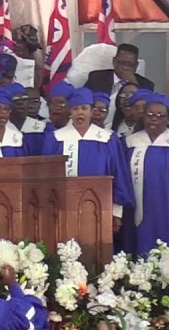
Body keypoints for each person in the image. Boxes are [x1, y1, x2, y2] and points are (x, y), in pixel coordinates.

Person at [39, 88, 131, 229]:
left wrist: (117, 212)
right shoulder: (56, 138)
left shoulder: (107, 139)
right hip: (64, 206)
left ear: (92, 111)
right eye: (75, 108)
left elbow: (118, 174)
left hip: (100, 206)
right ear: (70, 112)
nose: (80, 112)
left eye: (84, 108)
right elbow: (46, 176)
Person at [124, 94, 169, 254]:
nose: (154, 119)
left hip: (168, 212)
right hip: (135, 211)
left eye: (160, 115)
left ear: (168, 119)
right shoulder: (130, 143)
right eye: (150, 115)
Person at [83, 43, 155, 128]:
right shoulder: (96, 78)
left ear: (136, 66)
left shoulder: (146, 85)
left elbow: (145, 110)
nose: (125, 68)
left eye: (130, 65)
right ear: (114, 61)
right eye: (121, 63)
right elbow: (84, 101)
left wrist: (134, 83)